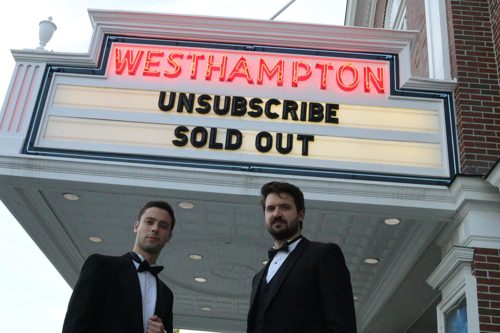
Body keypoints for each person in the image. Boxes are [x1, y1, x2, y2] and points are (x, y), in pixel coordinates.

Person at [247, 181, 357, 333]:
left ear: (300, 214)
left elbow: (342, 325)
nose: (277, 213)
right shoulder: (258, 278)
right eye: (270, 208)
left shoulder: (323, 255)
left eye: (285, 207)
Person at [62, 201, 175, 333]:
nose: (155, 228)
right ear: (136, 226)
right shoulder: (102, 266)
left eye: (163, 225)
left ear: (169, 237)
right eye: (149, 222)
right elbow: (75, 325)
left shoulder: (166, 294)